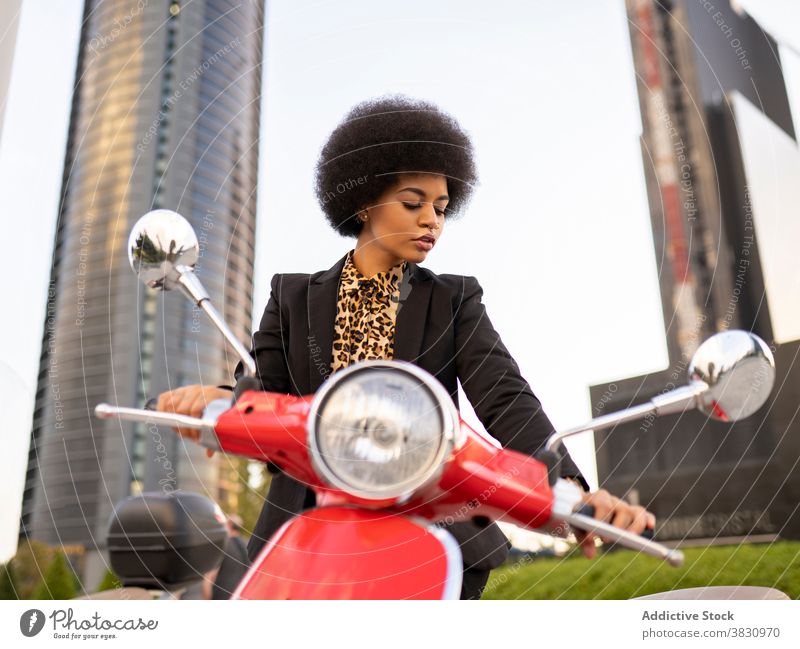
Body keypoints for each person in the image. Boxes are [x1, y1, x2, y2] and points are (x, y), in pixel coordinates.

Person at [156, 94, 656, 600]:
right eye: (413, 203)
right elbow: (264, 391)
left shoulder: (454, 299)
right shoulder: (291, 296)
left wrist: (572, 493)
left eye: (441, 208)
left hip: (431, 528)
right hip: (307, 531)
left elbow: (506, 397)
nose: (431, 221)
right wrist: (218, 401)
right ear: (364, 200)